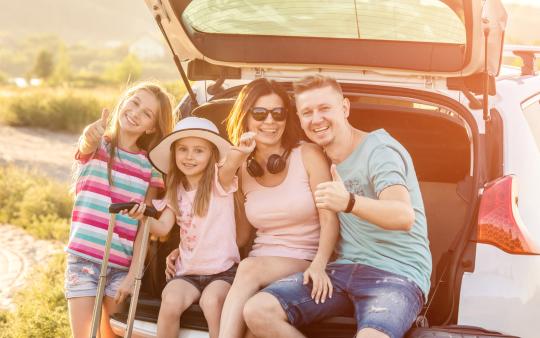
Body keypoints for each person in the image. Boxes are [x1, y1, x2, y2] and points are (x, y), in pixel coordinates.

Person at [243, 75, 432, 338]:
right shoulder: (318, 158)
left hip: (397, 275)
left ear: (344, 108)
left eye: (324, 108)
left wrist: (349, 202)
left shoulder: (380, 151)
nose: (316, 119)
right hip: (341, 272)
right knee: (257, 311)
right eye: (307, 112)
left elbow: (403, 215)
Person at [213, 78, 340, 338]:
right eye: (260, 113)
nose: (270, 121)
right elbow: (240, 236)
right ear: (246, 118)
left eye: (278, 113)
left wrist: (319, 263)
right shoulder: (242, 167)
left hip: (306, 261)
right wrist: (188, 249)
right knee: (251, 330)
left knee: (249, 267)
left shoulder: (307, 154)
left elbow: (331, 219)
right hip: (259, 268)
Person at [125, 116, 254, 338]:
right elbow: (163, 228)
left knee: (212, 302)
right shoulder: (175, 191)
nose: (189, 156)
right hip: (187, 273)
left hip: (222, 272)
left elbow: (231, 164)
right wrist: (144, 217)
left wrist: (240, 152)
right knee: (170, 300)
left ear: (212, 155)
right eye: (183, 149)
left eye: (198, 151)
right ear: (174, 154)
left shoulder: (218, 181)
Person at [64, 82, 174, 338]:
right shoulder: (98, 145)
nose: (135, 113)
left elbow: (144, 227)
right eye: (134, 102)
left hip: (120, 268)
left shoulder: (150, 168)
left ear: (152, 127)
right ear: (123, 102)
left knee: (110, 335)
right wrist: (89, 135)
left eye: (147, 113)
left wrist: (133, 274)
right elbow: (86, 143)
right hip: (83, 260)